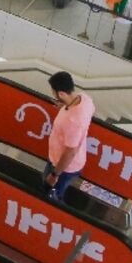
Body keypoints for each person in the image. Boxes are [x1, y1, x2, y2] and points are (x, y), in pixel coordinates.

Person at [44, 71, 95, 202]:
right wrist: (65, 106)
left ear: (61, 94)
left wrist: (55, 174)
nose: (53, 94)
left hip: (63, 168)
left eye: (53, 92)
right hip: (61, 160)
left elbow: (70, 151)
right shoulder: (84, 99)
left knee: (53, 193)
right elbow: (89, 111)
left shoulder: (73, 121)